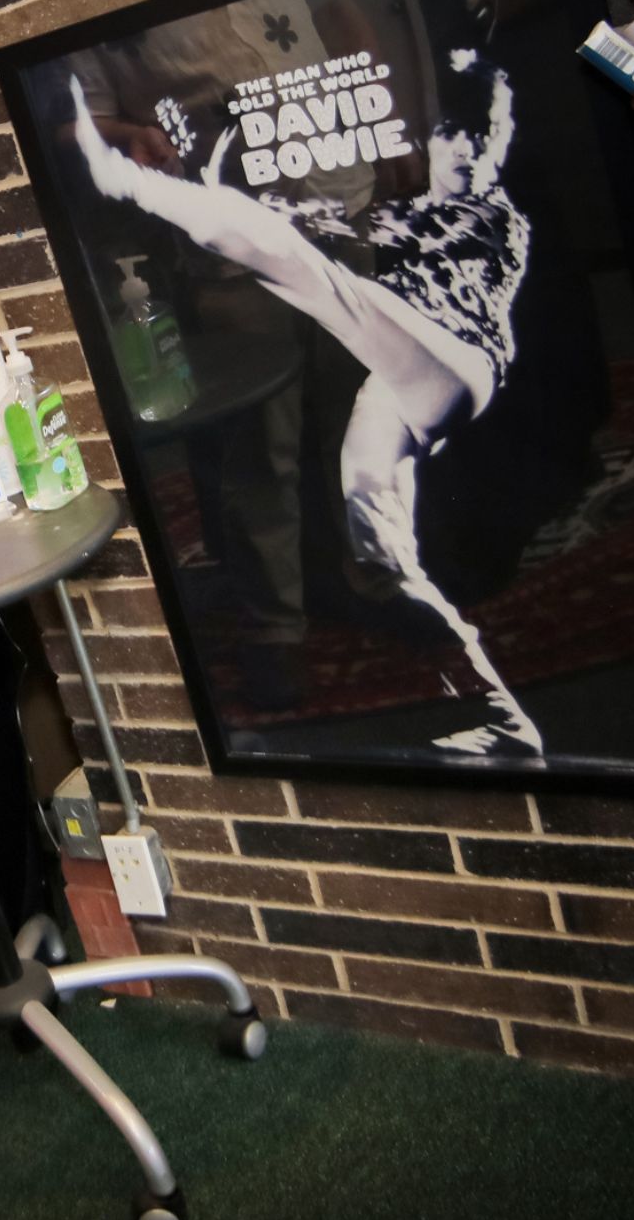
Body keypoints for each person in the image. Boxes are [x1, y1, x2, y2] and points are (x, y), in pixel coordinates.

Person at [67, 50, 542, 757]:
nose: (467, 147)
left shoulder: (484, 219)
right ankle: (282, 625)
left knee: (340, 369)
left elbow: (342, 20)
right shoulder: (109, 36)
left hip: (358, 235)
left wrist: (394, 125)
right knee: (282, 449)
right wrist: (130, 138)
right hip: (243, 241)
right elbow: (78, 113)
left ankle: (374, 584)